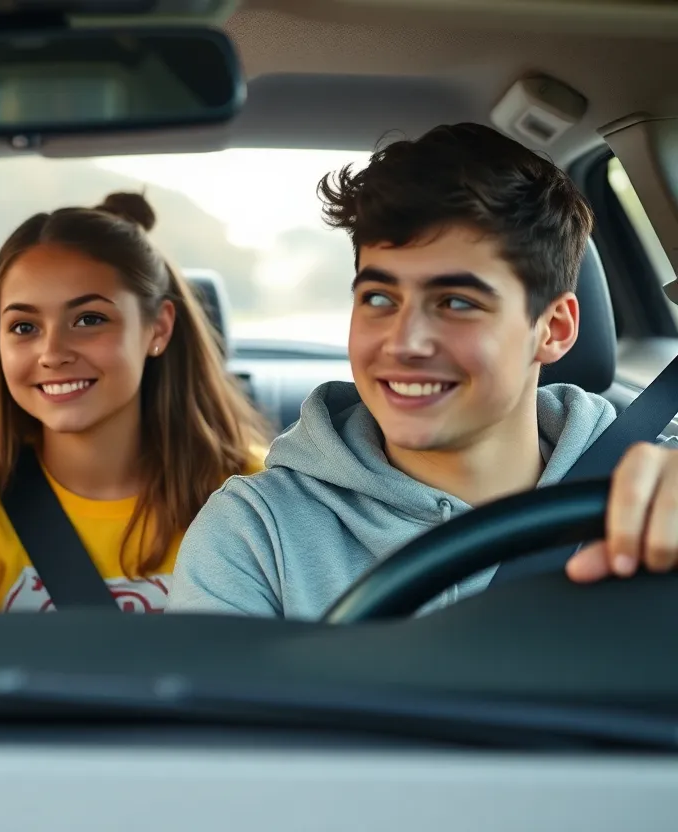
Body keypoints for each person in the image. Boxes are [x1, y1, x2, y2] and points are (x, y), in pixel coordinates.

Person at [169, 122, 678, 618]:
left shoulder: (660, 493)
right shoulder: (256, 533)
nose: (403, 342)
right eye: (378, 297)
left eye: (456, 302)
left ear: (553, 328)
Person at [0, 192, 269, 612]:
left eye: (89, 320)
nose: (52, 353)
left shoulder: (256, 493)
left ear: (157, 328)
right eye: (24, 326)